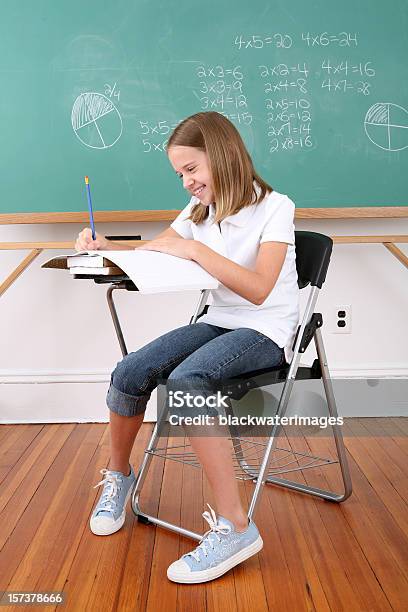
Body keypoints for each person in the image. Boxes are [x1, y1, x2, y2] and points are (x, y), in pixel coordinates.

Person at [75, 111, 299, 584]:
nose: (186, 183)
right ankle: (119, 477)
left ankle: (237, 526)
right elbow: (157, 249)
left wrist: (198, 250)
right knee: (130, 372)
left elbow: (259, 289)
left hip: (266, 330)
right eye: (180, 174)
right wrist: (105, 246)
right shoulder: (199, 210)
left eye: (192, 170)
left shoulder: (276, 207)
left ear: (221, 155)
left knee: (187, 382)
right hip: (219, 321)